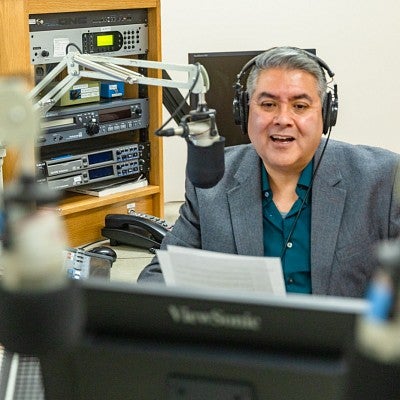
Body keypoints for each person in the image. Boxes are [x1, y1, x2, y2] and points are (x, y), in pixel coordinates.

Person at [137, 46, 400, 298]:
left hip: (344, 343)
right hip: (246, 341)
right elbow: (159, 276)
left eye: (300, 106)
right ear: (244, 111)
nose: (283, 119)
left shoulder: (383, 180)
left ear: (327, 114)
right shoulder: (213, 180)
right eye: (268, 104)